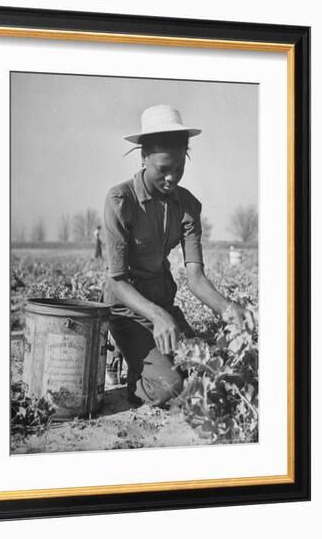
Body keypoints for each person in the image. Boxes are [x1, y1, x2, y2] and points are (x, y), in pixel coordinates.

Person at [102, 104, 254, 406]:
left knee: (203, 368)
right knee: (171, 387)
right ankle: (126, 361)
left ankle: (143, 355)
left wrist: (228, 309)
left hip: (163, 305)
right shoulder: (121, 201)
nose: (172, 178)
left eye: (179, 169)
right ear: (144, 158)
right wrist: (157, 315)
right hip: (126, 308)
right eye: (163, 169)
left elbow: (195, 277)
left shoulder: (187, 206)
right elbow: (117, 280)